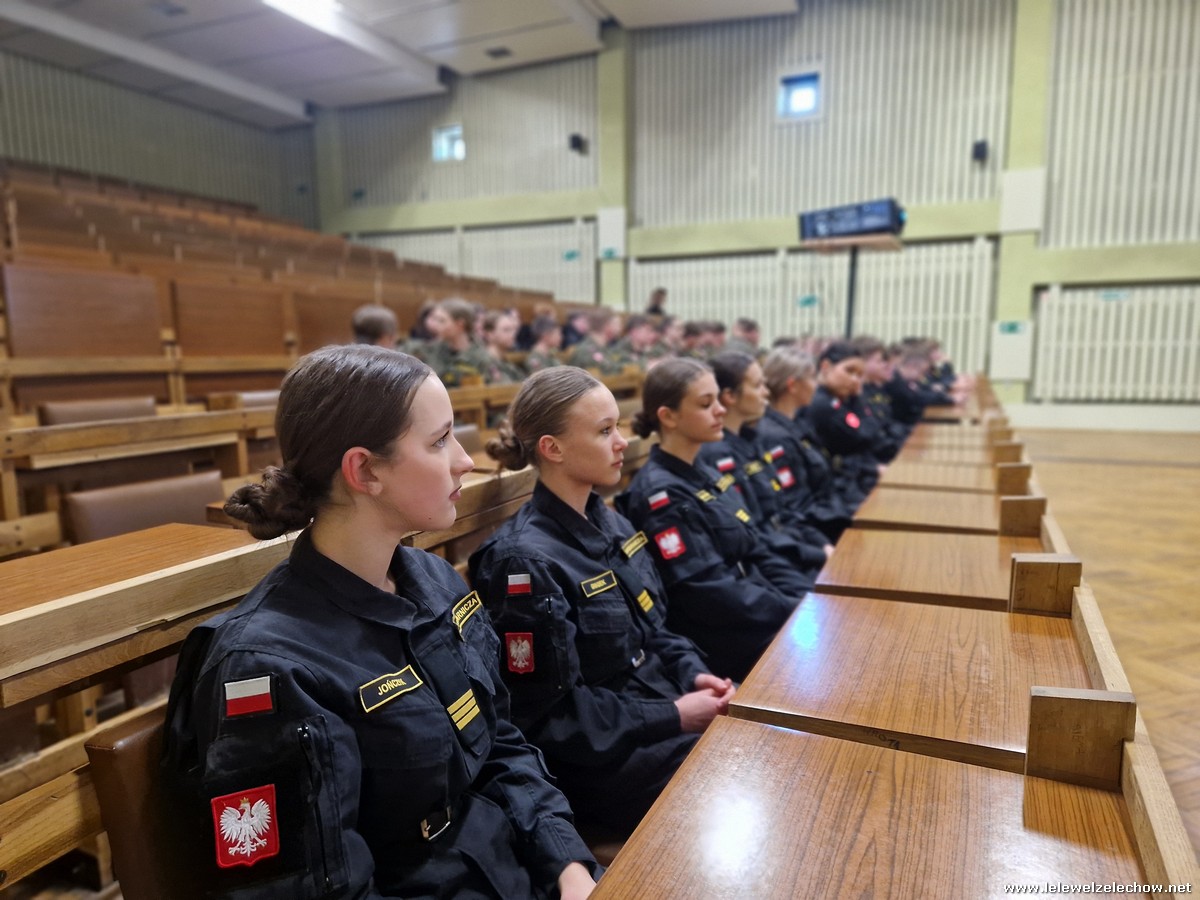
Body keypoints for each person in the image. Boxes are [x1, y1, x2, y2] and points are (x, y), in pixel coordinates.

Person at [162, 346, 598, 900]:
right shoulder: (266, 667)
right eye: (440, 441)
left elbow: (498, 744)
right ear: (365, 470)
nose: (465, 460)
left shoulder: (432, 581)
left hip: (517, 872)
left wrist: (568, 866)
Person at [468, 367, 734, 833]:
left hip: (654, 715)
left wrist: (694, 673)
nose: (623, 442)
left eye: (618, 427)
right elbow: (553, 718)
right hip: (601, 767)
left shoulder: (607, 521)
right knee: (739, 769)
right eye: (605, 431)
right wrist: (674, 716)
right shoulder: (524, 563)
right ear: (552, 448)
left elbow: (653, 630)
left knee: (754, 747)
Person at [615, 358, 806, 681]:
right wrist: (791, 609)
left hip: (757, 609)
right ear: (668, 416)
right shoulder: (660, 495)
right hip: (724, 640)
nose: (720, 410)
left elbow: (755, 548)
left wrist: (800, 596)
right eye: (706, 404)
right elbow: (708, 592)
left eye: (718, 399)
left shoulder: (703, 470)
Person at [698, 352, 830, 578]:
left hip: (788, 547)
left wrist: (820, 544)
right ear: (730, 396)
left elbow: (782, 511)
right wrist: (816, 553)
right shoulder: (715, 454)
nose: (766, 392)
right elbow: (754, 536)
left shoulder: (749, 440)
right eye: (758, 385)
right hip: (771, 563)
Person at [758, 347, 854, 538]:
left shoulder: (797, 423)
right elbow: (795, 505)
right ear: (793, 385)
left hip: (824, 515)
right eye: (811, 378)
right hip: (811, 530)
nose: (816, 385)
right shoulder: (775, 436)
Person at [807, 341, 886, 503]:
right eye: (849, 371)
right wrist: (858, 397)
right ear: (826, 366)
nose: (855, 380)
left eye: (859, 375)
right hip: (832, 487)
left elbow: (871, 431)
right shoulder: (824, 404)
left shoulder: (838, 399)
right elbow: (863, 436)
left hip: (848, 476)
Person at [415, 297, 491, 387]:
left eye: (442, 321)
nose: (436, 325)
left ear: (460, 325)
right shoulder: (431, 350)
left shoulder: (480, 358)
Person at [480, 309, 526, 384]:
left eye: (513, 329)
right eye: (506, 330)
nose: (513, 334)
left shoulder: (504, 360)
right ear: (490, 334)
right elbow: (505, 388)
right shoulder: (486, 362)